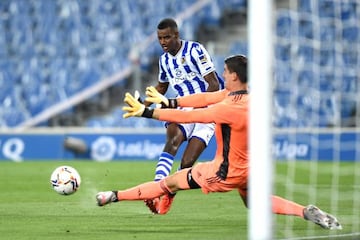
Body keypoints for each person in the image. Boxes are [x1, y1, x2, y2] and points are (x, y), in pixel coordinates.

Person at [96, 55, 342, 230]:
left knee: (169, 181)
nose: (221, 74)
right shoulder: (248, 97)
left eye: (224, 71)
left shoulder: (228, 108)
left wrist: (146, 112)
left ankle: (112, 196)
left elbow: (190, 116)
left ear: (233, 76)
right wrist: (169, 101)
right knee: (253, 202)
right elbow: (204, 97)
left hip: (224, 172)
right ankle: (304, 211)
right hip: (250, 168)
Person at [139, 18, 224, 214]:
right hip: (182, 107)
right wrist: (141, 106)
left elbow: (213, 84)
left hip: (206, 109)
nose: (163, 42)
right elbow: (162, 86)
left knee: (187, 162)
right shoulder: (164, 60)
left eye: (167, 37)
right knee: (173, 140)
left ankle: (168, 194)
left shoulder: (195, 50)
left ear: (177, 35)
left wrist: (201, 108)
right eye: (160, 38)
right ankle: (155, 189)